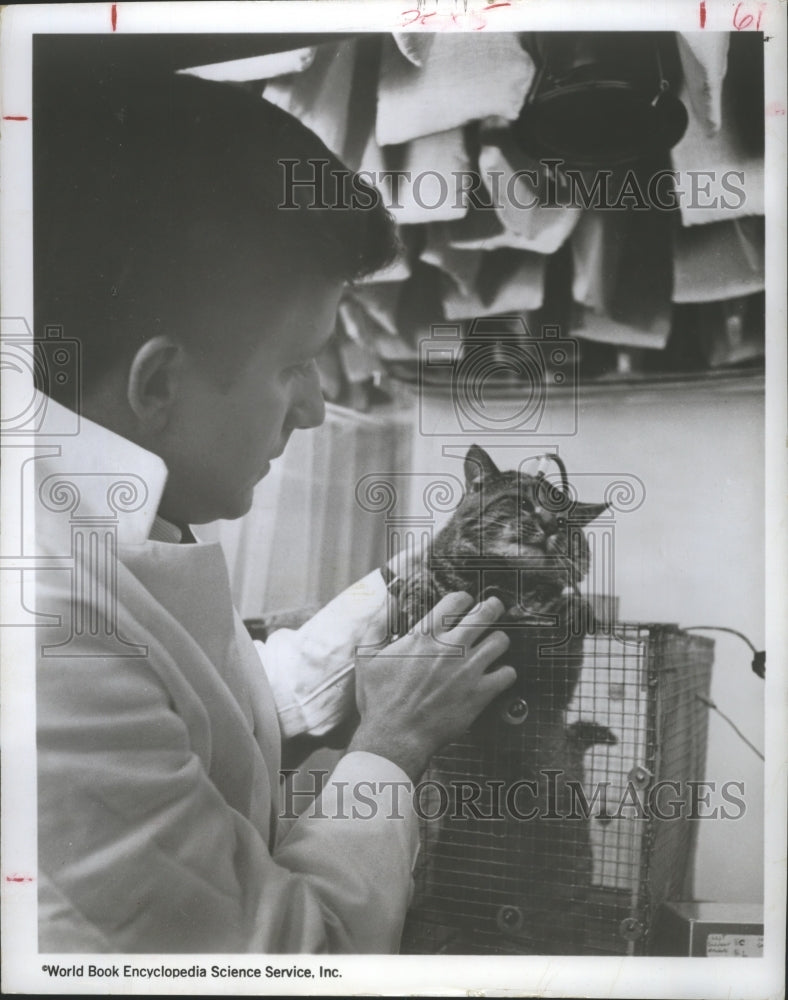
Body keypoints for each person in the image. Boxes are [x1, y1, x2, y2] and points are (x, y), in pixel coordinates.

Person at [32, 65, 516, 953]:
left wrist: (405, 580)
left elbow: (219, 699)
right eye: (295, 364)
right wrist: (392, 746)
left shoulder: (99, 516)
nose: (317, 408)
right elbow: (295, 956)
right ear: (158, 382)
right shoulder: (46, 639)